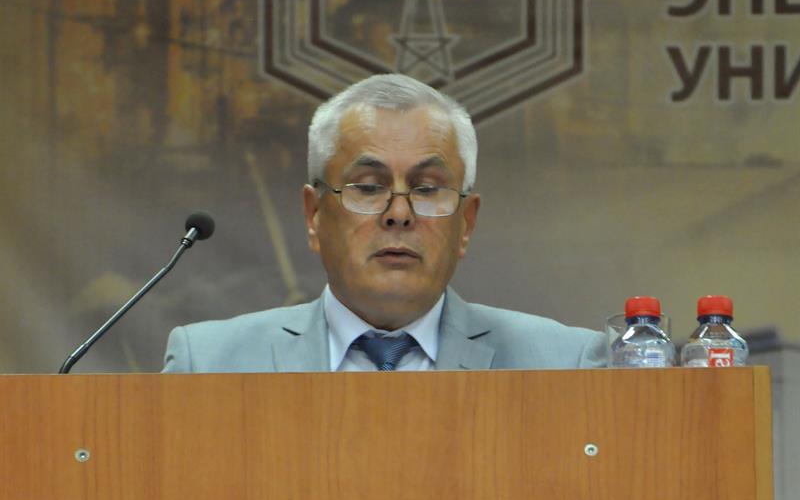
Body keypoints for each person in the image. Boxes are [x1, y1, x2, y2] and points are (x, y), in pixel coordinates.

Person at [163, 73, 604, 372]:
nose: (399, 214)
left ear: (466, 224)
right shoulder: (209, 364)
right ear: (313, 215)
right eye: (369, 187)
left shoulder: (566, 364)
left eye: (427, 189)